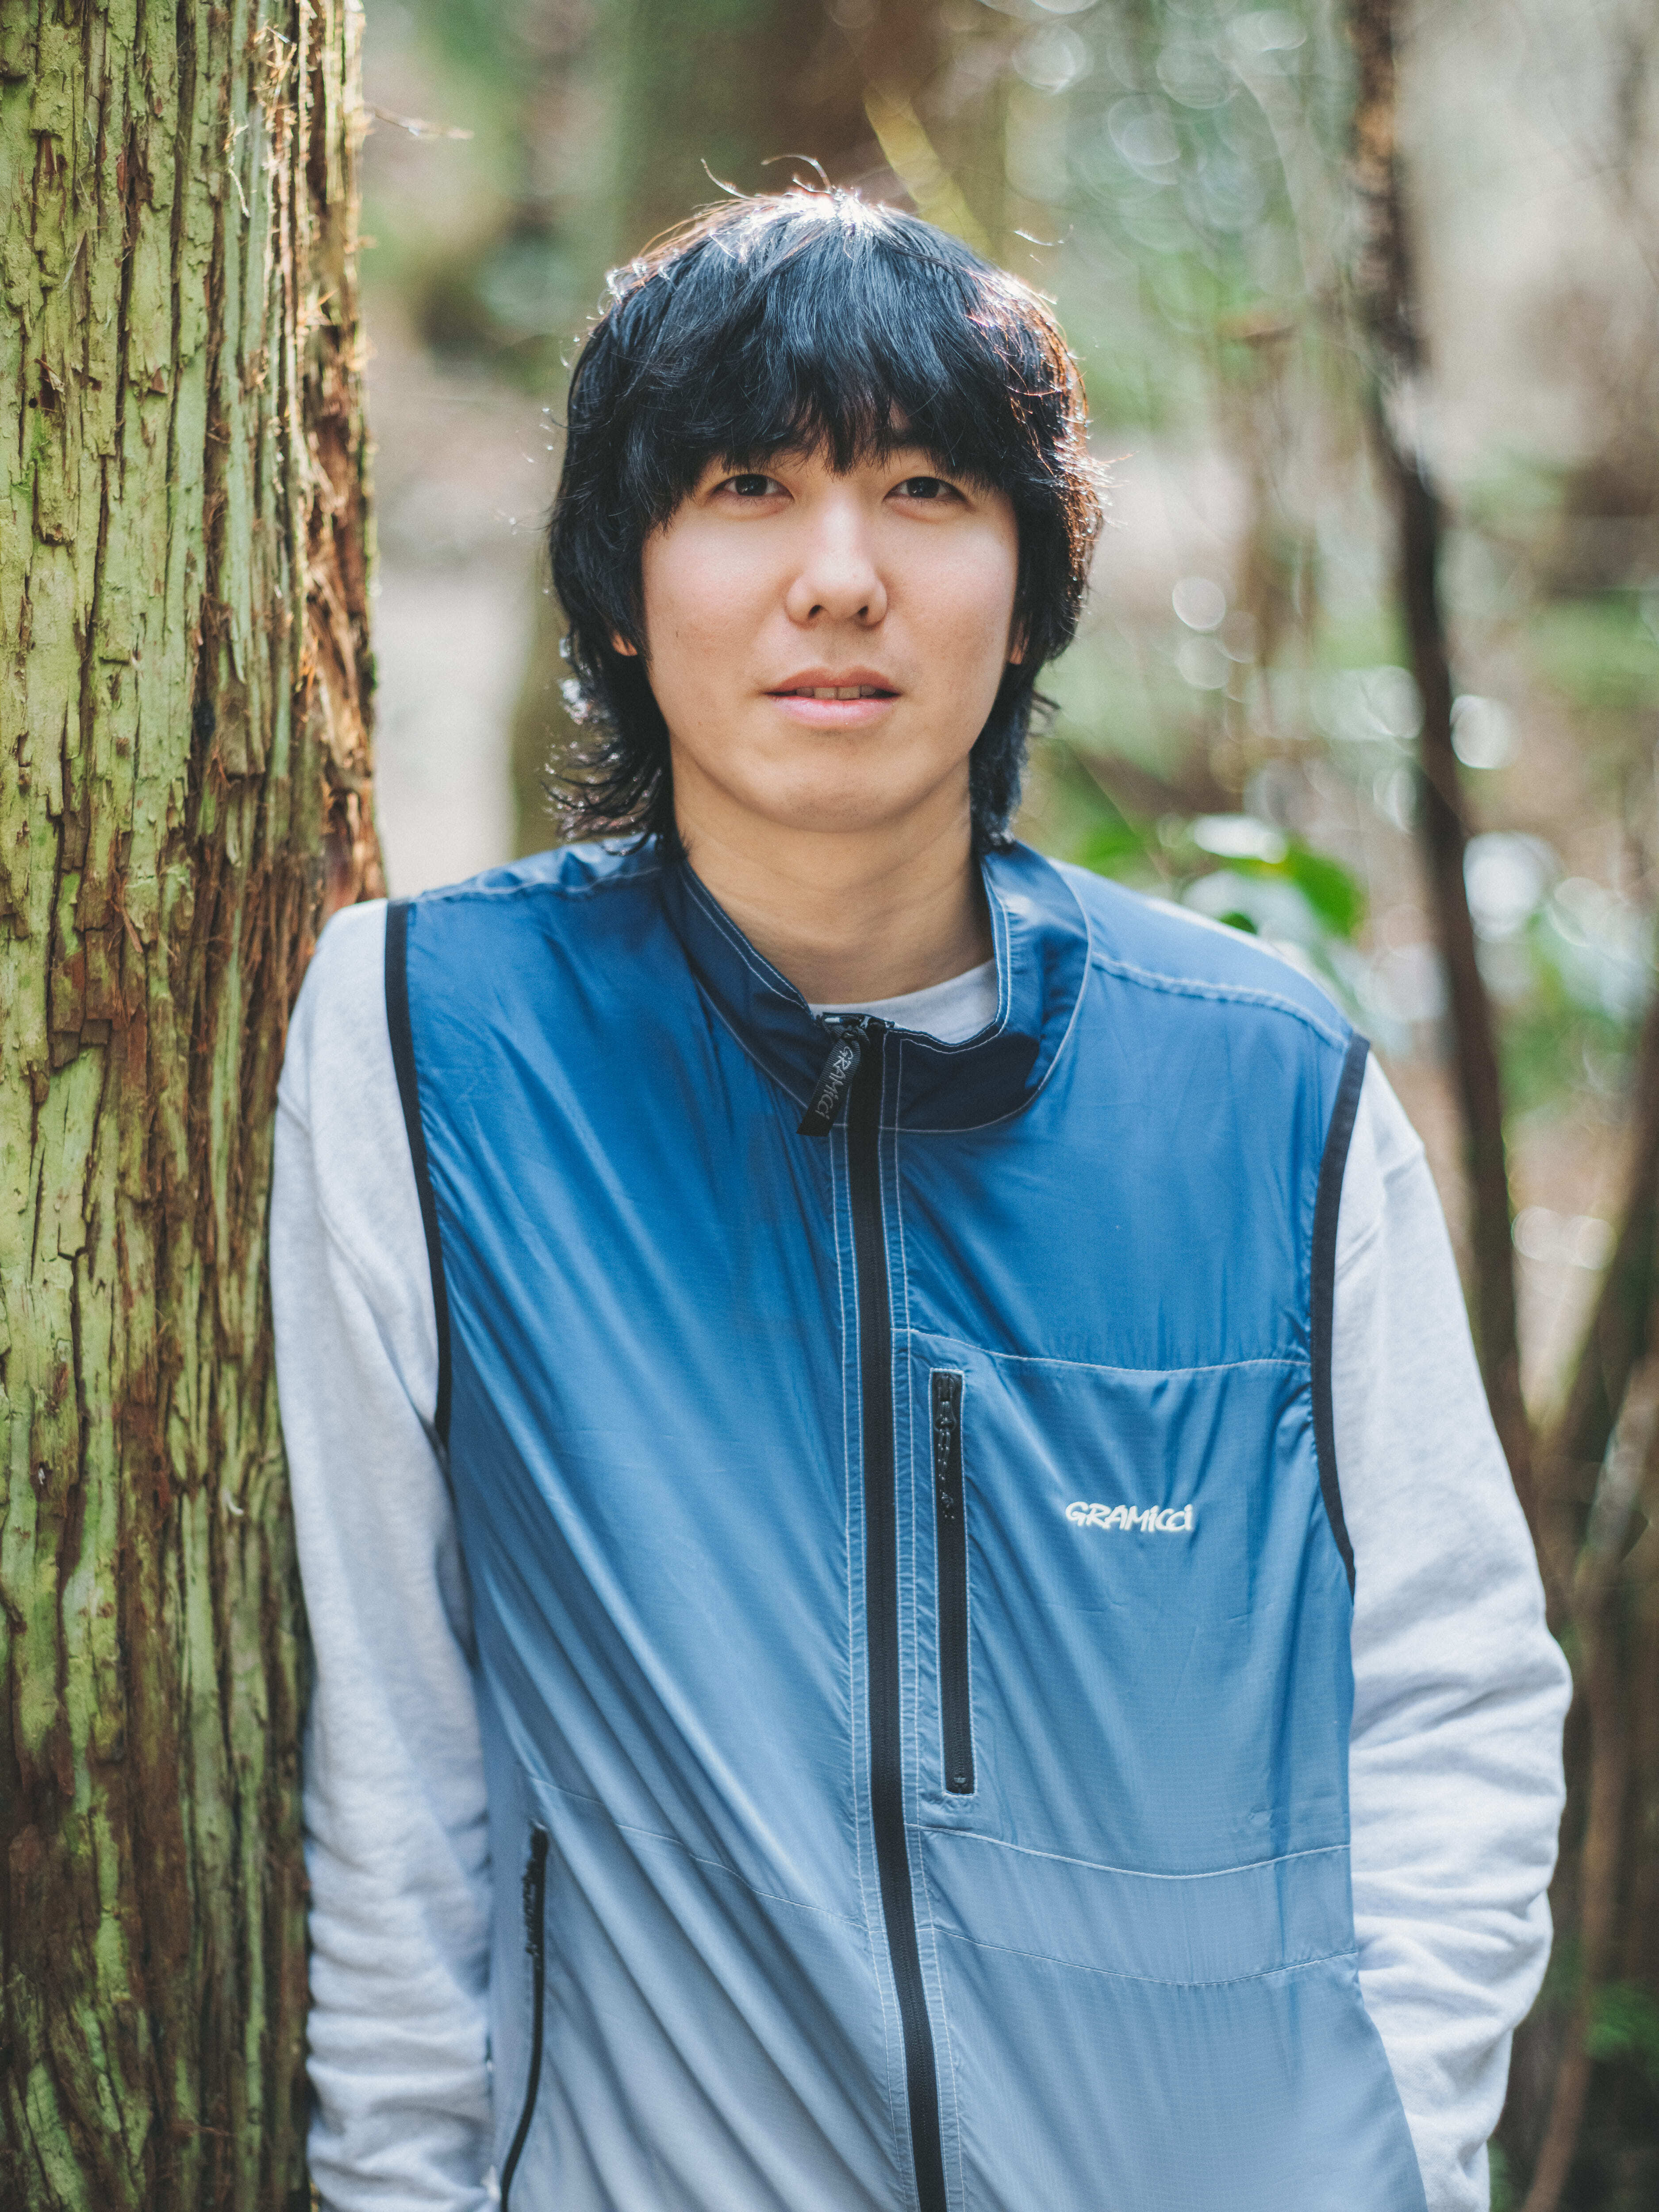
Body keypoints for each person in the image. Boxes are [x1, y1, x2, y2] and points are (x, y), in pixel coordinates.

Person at [272, 191, 1568, 2212]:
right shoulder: (435, 1037)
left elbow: (1450, 1682)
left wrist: (1377, 2158)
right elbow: (397, 1762)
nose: (839, 576)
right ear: (621, 585)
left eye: (925, 489)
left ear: (1029, 590)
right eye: (747, 487)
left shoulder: (1257, 1083)